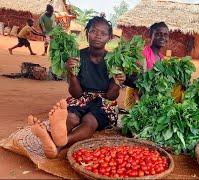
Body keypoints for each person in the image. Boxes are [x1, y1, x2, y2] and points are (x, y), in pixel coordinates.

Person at [28, 16, 127, 159]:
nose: (98, 36)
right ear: (87, 33)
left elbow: (112, 96)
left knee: (90, 121)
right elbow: (76, 94)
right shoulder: (77, 57)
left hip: (105, 101)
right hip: (82, 96)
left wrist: (117, 82)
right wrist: (71, 74)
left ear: (109, 37)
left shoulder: (114, 60)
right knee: (72, 117)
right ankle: (55, 135)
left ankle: (59, 143)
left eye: (103, 33)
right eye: (93, 31)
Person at [124, 22, 170, 110]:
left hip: (151, 100)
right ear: (150, 35)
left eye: (165, 35)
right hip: (136, 99)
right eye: (158, 34)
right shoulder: (142, 53)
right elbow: (128, 76)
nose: (162, 37)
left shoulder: (162, 59)